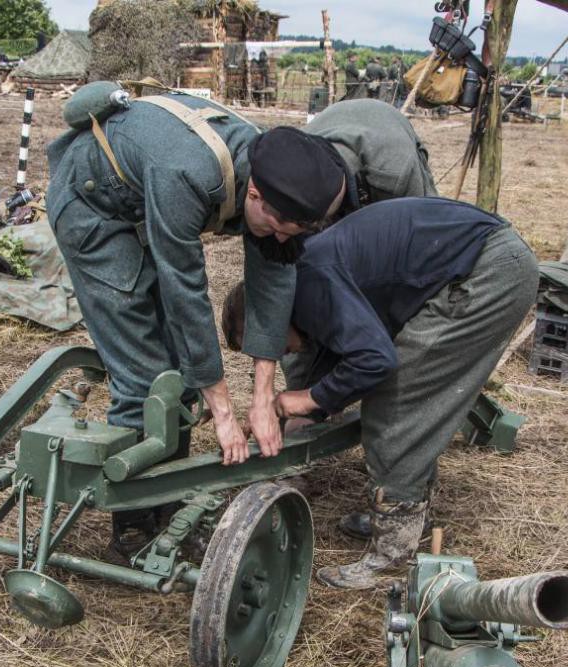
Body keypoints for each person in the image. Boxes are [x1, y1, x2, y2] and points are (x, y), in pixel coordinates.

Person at [45, 86, 347, 560]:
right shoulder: (186, 173)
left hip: (141, 203)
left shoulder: (271, 163)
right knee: (146, 375)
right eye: (273, 225)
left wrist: (263, 397)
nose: (278, 236)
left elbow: (273, 278)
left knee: (183, 377)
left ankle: (165, 499)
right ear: (253, 193)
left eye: (293, 231)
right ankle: (133, 526)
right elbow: (185, 291)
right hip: (94, 213)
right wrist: (224, 412)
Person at [221, 197, 538, 589]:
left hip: (487, 271)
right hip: (480, 260)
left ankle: (393, 553)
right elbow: (336, 359)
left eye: (268, 343)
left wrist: (305, 400)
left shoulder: (311, 284)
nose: (275, 352)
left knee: (397, 401)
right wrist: (288, 410)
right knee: (396, 388)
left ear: (269, 315)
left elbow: (374, 361)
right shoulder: (300, 288)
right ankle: (400, 513)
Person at [304, 99, 438, 214]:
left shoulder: (395, 174)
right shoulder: (294, 153)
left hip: (387, 124)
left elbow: (420, 223)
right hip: (336, 120)